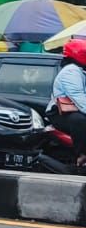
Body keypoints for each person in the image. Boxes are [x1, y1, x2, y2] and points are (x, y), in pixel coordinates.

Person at [48, 39, 86, 173]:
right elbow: (78, 97)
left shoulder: (81, 70)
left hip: (76, 109)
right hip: (60, 113)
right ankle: (82, 155)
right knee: (80, 120)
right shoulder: (71, 71)